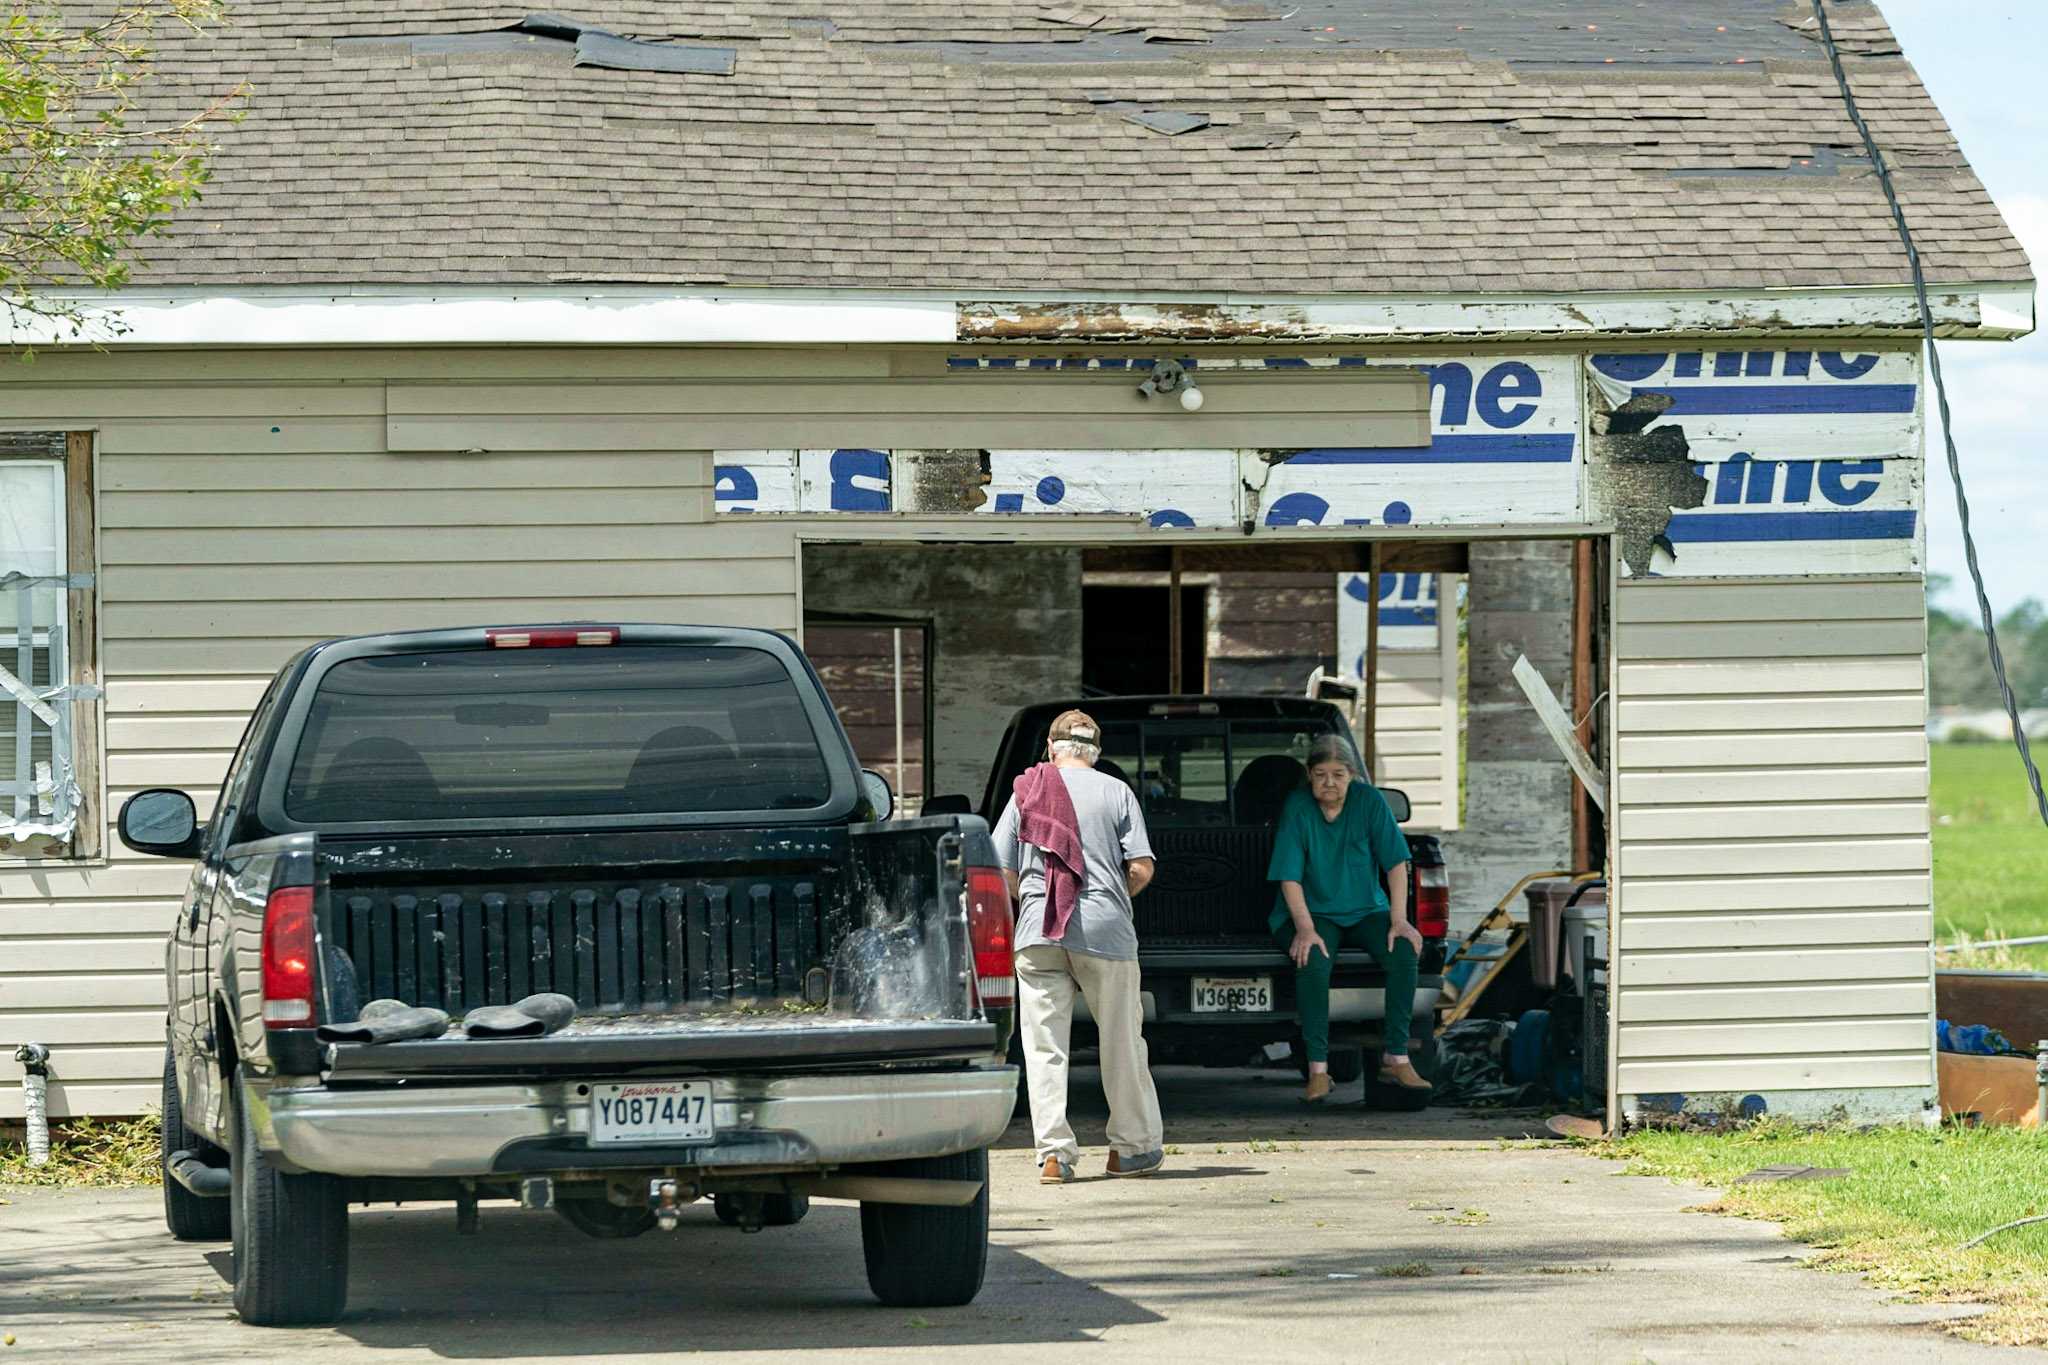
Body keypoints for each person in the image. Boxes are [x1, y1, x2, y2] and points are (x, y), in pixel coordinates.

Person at [993, 708, 1165, 1184]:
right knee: (1121, 1042)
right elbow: (1142, 867)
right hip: (1103, 931)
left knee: (1044, 1047)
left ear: (1051, 749)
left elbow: (1000, 865)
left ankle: (1054, 1156)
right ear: (1096, 752)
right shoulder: (1116, 791)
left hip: (1037, 933)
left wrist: (1036, 897)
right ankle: (1130, 1150)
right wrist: (1109, 897)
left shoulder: (1025, 791)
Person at [1266, 735, 1431, 1105]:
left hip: (1366, 908)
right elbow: (1288, 877)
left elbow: (1395, 863)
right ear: (1309, 775)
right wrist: (1305, 930)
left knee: (1405, 951)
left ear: (1352, 775)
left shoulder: (1369, 801)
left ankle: (1396, 1056)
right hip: (1312, 910)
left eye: (1338, 774)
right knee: (1313, 960)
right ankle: (1318, 1071)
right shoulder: (1298, 807)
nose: (1329, 783)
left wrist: (1400, 919)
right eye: (1321, 774)